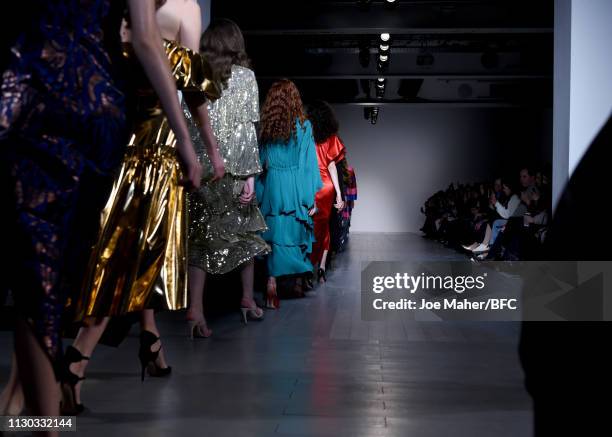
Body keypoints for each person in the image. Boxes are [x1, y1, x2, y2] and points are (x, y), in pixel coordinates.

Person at [0, 0, 195, 427]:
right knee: (54, 276)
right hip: (88, 106)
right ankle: (40, 413)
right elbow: (145, 39)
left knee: (36, 271)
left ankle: (27, 408)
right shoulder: (187, 17)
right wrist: (188, 141)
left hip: (20, 87)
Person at [61, 0, 225, 414]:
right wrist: (208, 148)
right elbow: (190, 90)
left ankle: (151, 343)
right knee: (133, 257)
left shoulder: (110, 17)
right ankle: (75, 363)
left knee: (127, 253)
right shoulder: (187, 8)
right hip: (157, 153)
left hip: (112, 145)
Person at [186, 18, 269, 336]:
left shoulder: (196, 72)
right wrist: (249, 176)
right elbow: (247, 130)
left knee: (199, 239)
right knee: (245, 235)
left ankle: (195, 310)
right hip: (234, 168)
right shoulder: (246, 77)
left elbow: (188, 120)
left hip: (202, 167)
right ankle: (247, 300)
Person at [256, 80, 322, 309]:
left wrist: (258, 192)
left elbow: (261, 164)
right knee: (294, 233)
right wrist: (309, 199)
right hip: (294, 187)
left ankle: (271, 283)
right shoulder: (304, 127)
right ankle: (296, 282)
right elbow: (308, 164)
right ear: (295, 100)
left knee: (274, 236)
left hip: (273, 185)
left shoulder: (266, 127)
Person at [306, 100, 346, 283]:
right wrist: (338, 193)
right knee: (326, 227)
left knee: (308, 227)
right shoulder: (331, 138)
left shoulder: (305, 137)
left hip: (310, 185)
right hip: (327, 187)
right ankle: (321, 267)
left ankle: (307, 266)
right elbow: (332, 167)